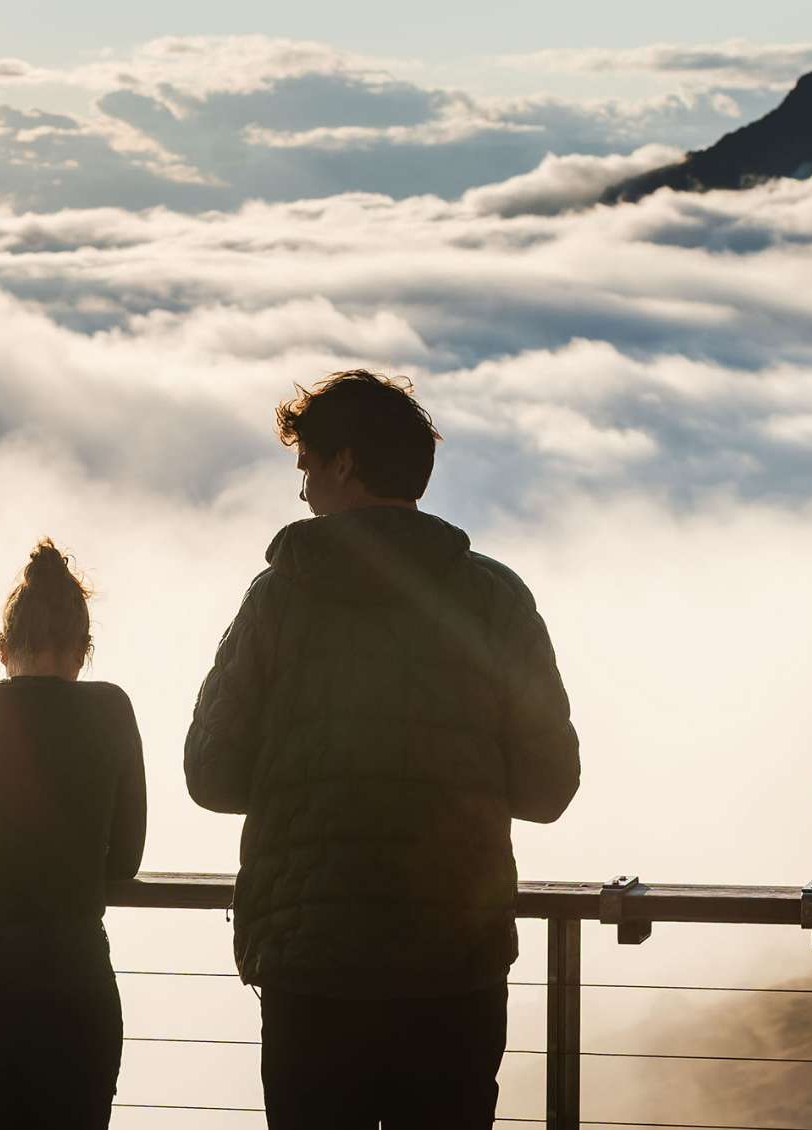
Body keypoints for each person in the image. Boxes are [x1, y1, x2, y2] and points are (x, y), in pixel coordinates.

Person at [185, 370, 581, 1129]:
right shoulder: (497, 600)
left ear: (342, 465)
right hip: (453, 965)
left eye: (306, 467)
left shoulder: (277, 600)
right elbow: (548, 789)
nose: (302, 491)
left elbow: (211, 774)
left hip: (312, 965)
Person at [0, 540, 148, 1129]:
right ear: (83, 651)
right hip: (67, 969)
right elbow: (126, 858)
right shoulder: (111, 710)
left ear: (2, 646)